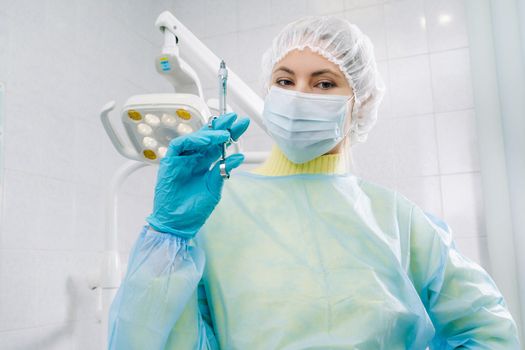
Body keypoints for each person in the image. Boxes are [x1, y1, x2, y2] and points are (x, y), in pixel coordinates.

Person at [107, 16, 520, 349]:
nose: (299, 95)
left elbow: (489, 334)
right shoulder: (215, 212)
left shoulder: (400, 222)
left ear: (361, 101)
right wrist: (167, 235)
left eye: (324, 83)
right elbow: (150, 341)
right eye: (285, 81)